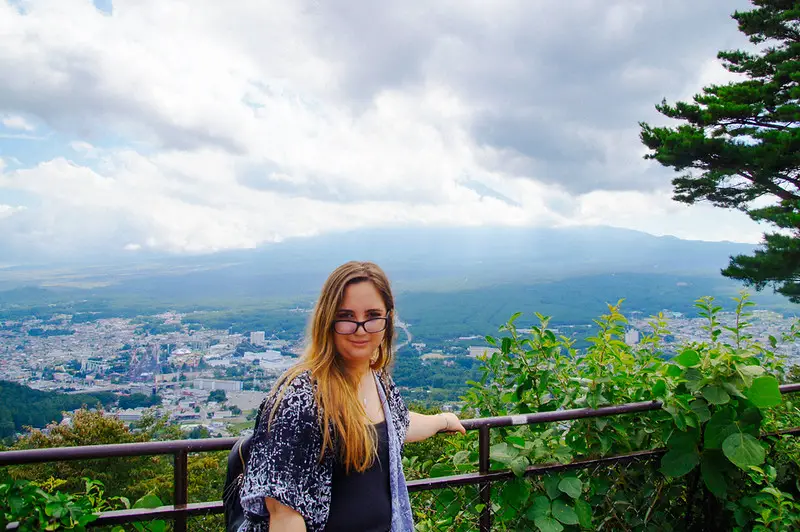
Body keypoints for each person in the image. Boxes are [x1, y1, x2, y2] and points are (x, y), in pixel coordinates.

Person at [238, 261, 466, 532]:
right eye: (346, 316)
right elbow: (285, 515)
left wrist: (443, 420)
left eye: (372, 316)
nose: (360, 328)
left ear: (387, 321)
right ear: (327, 321)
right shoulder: (299, 397)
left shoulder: (377, 379)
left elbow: (396, 426)